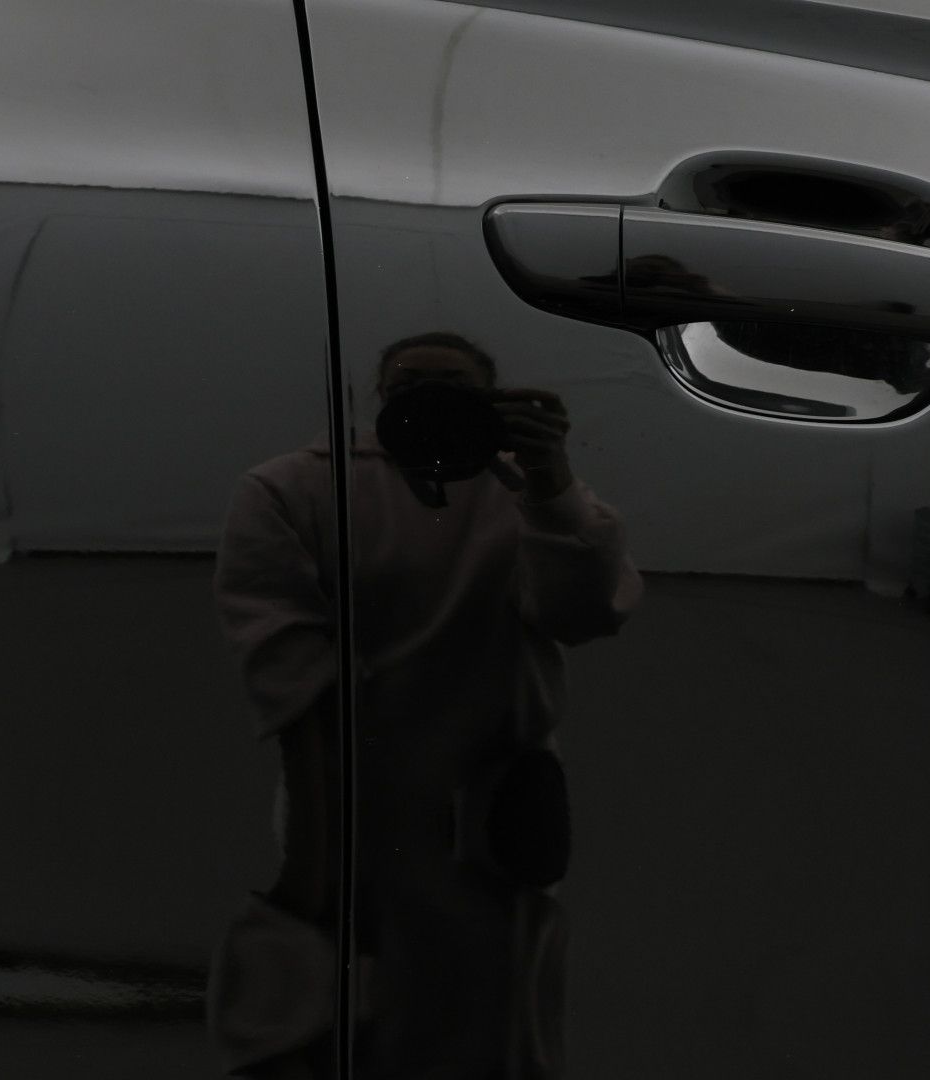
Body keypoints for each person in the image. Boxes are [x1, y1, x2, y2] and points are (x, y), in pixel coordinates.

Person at [208, 331, 641, 1078]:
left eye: (455, 388)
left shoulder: (522, 491)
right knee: (356, 1026)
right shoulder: (295, 487)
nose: (430, 401)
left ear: (496, 403)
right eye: (409, 386)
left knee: (495, 1024)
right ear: (377, 400)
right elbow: (287, 664)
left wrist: (552, 485)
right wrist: (315, 863)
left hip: (499, 815)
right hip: (353, 806)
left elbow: (585, 613)